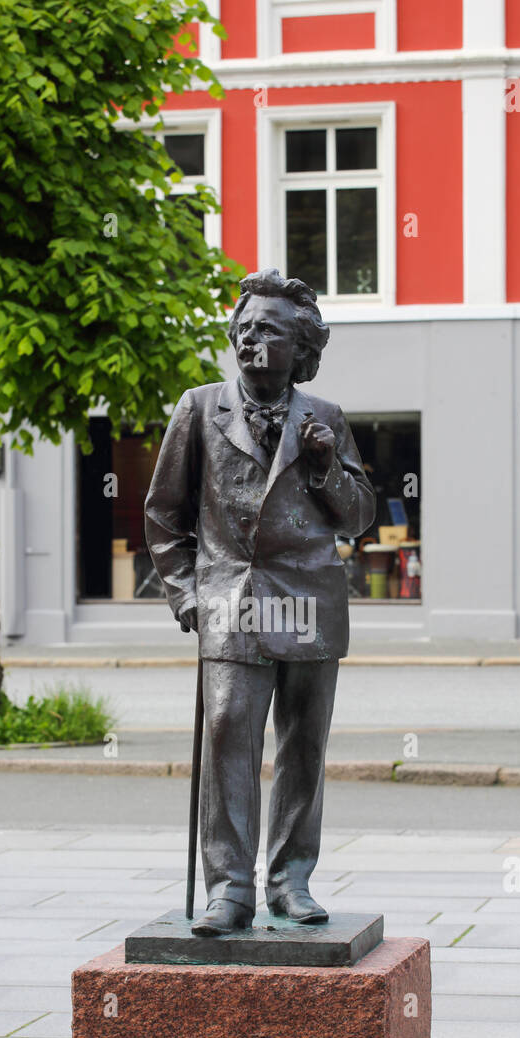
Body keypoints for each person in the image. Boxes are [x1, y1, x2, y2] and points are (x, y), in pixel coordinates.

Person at [144, 269, 375, 936]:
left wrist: (328, 466)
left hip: (308, 606)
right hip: (232, 604)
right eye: (243, 332)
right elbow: (164, 515)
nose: (250, 343)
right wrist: (186, 593)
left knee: (304, 750)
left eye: (267, 332)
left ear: (301, 346)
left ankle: (291, 880)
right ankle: (229, 890)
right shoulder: (199, 408)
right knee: (228, 740)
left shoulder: (324, 418)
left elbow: (358, 518)